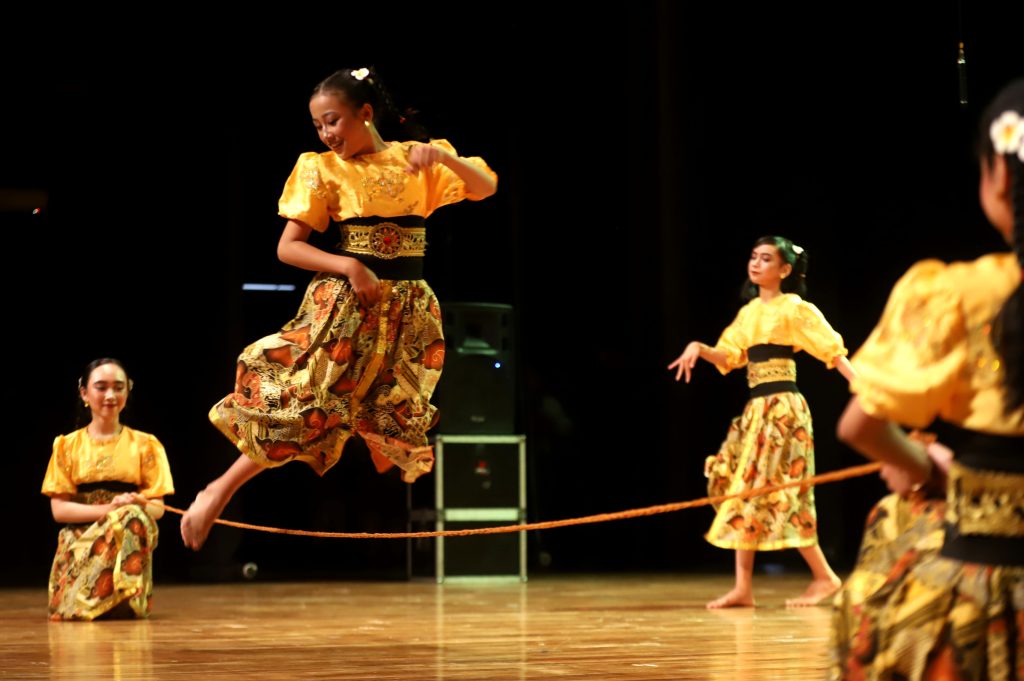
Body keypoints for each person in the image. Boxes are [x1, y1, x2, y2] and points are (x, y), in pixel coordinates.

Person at [180, 66, 498, 550]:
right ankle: (217, 491)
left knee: (393, 431)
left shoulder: (415, 159)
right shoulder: (322, 168)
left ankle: (366, 427)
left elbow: (485, 187)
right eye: (319, 126)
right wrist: (349, 266)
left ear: (365, 114)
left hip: (407, 311)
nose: (327, 134)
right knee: (304, 407)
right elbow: (289, 247)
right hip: (347, 307)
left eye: (333, 121)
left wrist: (442, 158)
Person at [830, 78, 1024, 680]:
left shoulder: (959, 296)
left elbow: (862, 425)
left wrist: (928, 462)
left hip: (991, 579)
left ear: (997, 177)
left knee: (890, 534)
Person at [668, 236, 855, 608]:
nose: (756, 263)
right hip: (758, 409)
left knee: (783, 489)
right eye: (753, 256)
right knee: (744, 489)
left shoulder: (794, 308)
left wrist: (862, 386)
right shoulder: (749, 312)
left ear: (784, 270)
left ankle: (824, 577)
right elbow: (730, 355)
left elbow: (831, 350)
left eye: (766, 259)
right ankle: (745, 587)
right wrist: (699, 348)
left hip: (784, 410)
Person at [41, 358, 174, 621]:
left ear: (127, 391)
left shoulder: (147, 445)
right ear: (84, 393)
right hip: (82, 535)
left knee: (133, 518)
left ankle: (125, 593)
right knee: (126, 516)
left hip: (127, 531)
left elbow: (158, 508)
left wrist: (138, 503)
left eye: (118, 387)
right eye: (101, 387)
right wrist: (110, 509)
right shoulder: (67, 446)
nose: (111, 395)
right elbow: (59, 510)